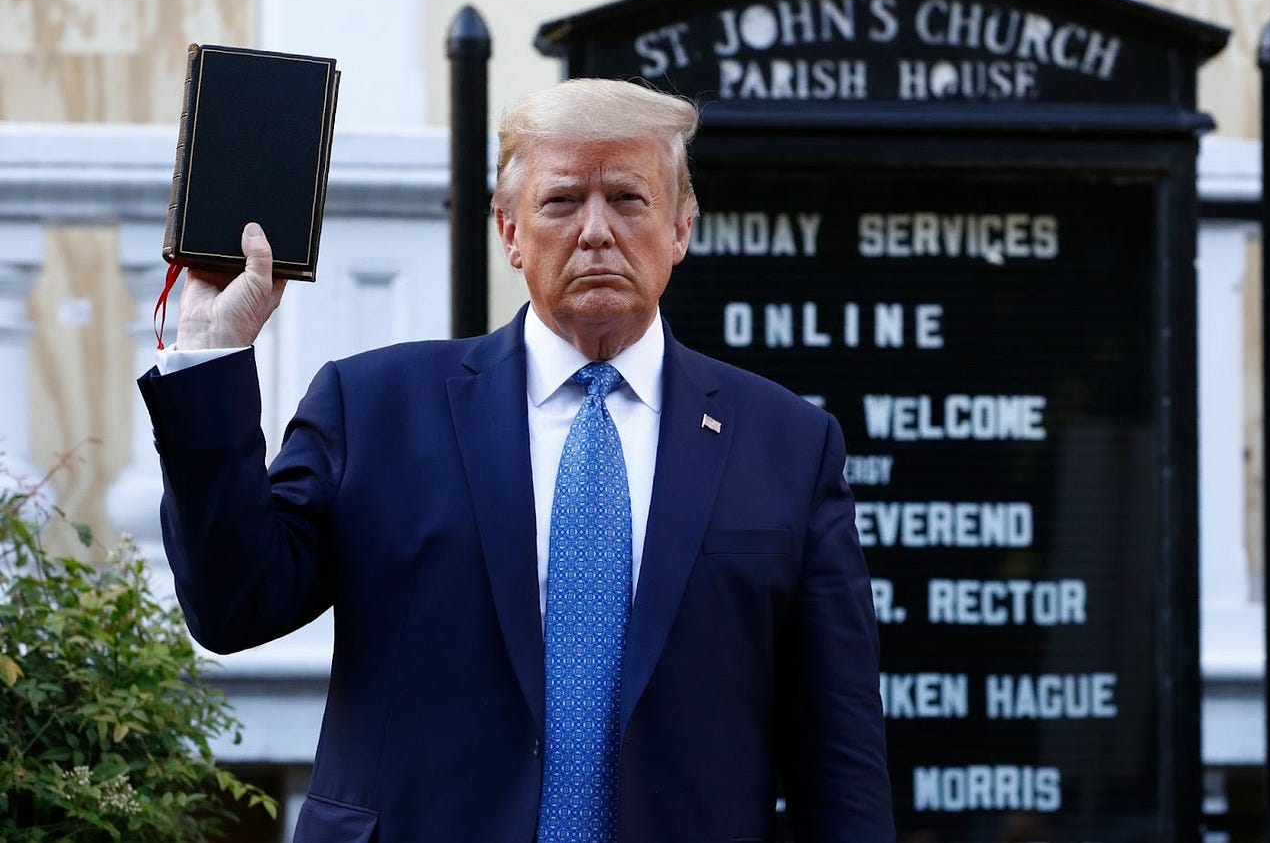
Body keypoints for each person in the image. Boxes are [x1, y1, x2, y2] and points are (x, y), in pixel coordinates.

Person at [139, 78, 894, 841]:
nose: (596, 231)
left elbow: (840, 754)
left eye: (629, 200)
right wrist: (211, 356)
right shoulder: (375, 408)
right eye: (562, 201)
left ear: (681, 230)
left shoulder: (787, 445)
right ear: (508, 231)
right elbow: (234, 606)